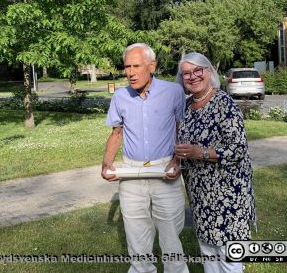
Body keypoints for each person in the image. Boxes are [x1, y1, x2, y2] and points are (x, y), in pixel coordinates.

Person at [101, 43, 189, 273]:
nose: (130, 72)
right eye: (127, 66)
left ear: (152, 66)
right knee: (137, 240)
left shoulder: (173, 92)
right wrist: (106, 164)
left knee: (171, 236)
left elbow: (182, 129)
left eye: (136, 66)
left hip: (165, 171)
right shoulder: (120, 96)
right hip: (131, 174)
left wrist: (177, 161)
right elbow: (116, 133)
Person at [174, 52, 256, 273]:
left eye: (197, 71)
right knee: (208, 253)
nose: (191, 77)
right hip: (201, 195)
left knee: (228, 259)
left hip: (228, 195)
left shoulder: (224, 104)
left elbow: (238, 149)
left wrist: (198, 152)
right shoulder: (188, 106)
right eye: (186, 74)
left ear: (209, 71)